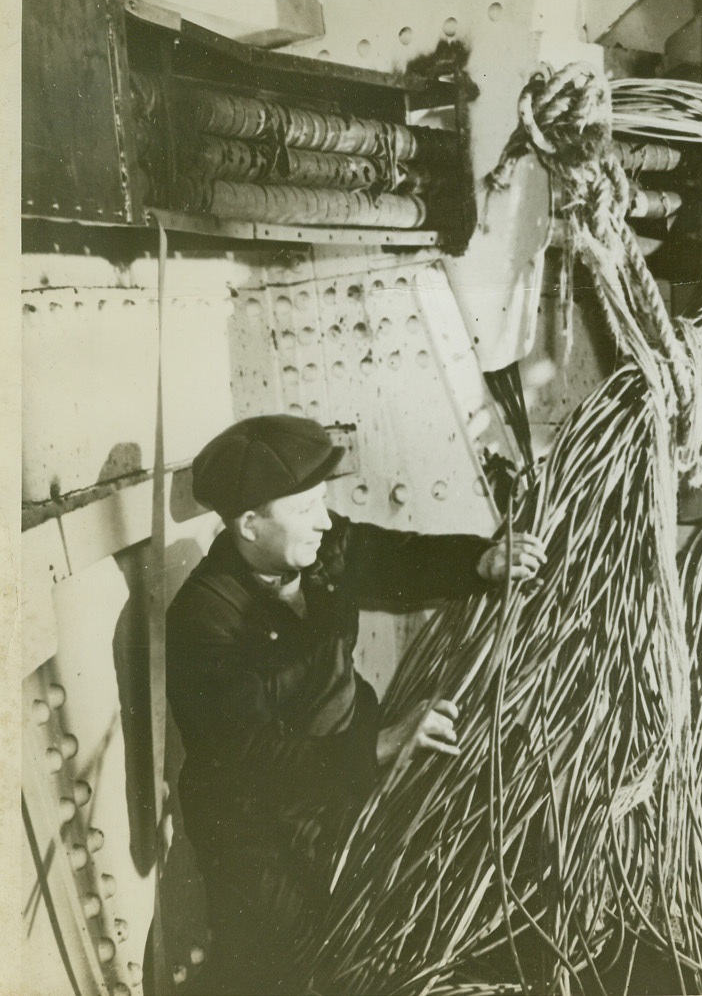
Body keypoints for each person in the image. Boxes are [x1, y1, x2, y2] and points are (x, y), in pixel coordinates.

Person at [166, 414, 545, 994]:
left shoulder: (317, 548)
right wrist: (382, 746)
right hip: (259, 829)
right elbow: (252, 759)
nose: (324, 520)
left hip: (347, 782)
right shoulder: (203, 619)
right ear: (248, 525)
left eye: (324, 502)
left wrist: (479, 561)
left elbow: (389, 555)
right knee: (282, 966)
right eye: (304, 509)